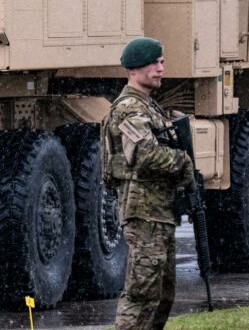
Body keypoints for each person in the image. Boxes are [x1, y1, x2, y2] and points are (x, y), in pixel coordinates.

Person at [101, 38, 196, 330]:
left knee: (161, 294)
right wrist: (183, 162)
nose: (160, 69)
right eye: (153, 63)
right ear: (134, 69)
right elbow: (145, 154)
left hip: (158, 211)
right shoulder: (130, 108)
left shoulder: (148, 106)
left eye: (162, 62)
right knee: (142, 293)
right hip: (143, 212)